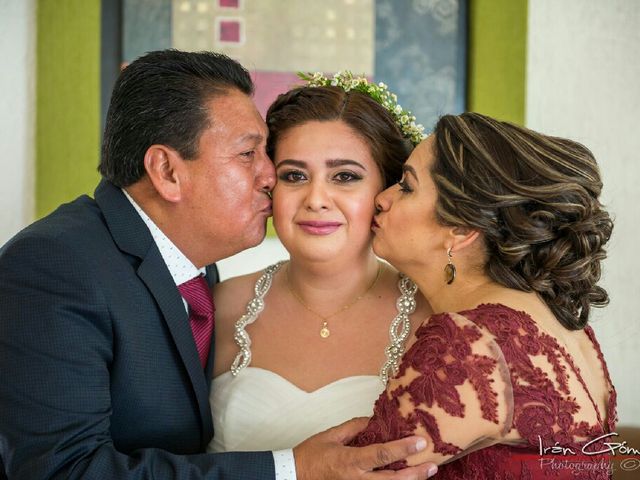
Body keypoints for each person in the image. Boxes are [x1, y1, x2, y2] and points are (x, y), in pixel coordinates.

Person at [0, 50, 436, 480]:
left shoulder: (197, 273)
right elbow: (61, 470)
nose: (268, 178)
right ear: (167, 171)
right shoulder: (54, 266)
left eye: (345, 176)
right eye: (249, 155)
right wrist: (291, 469)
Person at [350, 112, 617, 479]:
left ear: (460, 228)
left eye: (407, 186)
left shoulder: (466, 342)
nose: (382, 198)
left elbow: (356, 472)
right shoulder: (571, 331)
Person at [208, 74, 432, 453]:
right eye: (294, 176)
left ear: (386, 191)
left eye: (345, 177)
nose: (316, 199)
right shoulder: (220, 304)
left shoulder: (435, 318)